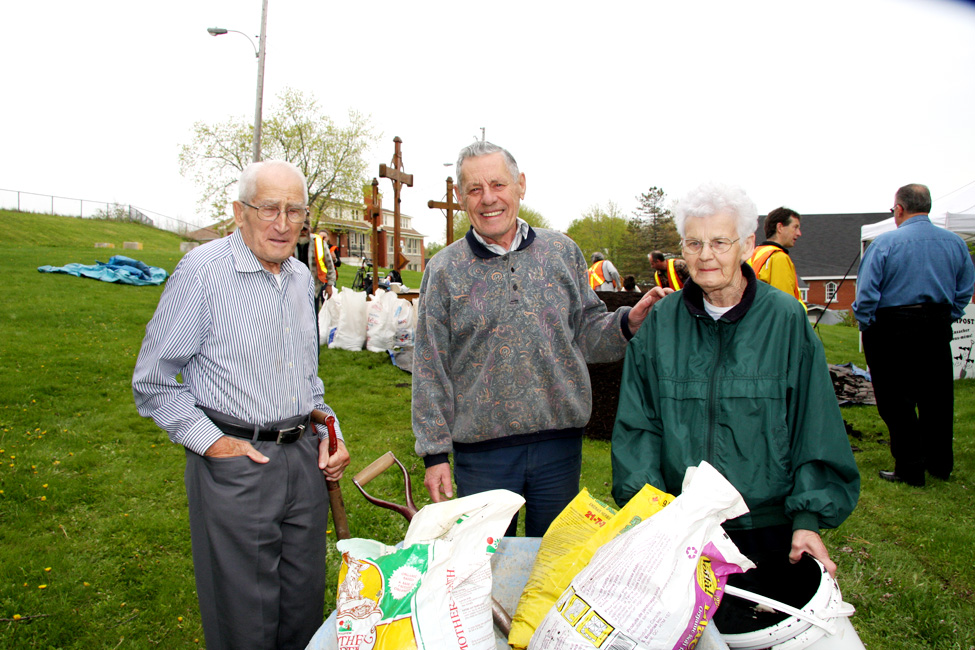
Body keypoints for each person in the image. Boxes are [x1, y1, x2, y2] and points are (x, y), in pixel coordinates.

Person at [132, 160, 351, 650]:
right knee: (244, 622)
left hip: (303, 461)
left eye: (294, 210)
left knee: (304, 609)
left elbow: (305, 379)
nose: (282, 222)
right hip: (238, 463)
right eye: (268, 208)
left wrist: (328, 427)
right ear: (239, 212)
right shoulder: (204, 273)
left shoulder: (299, 278)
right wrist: (212, 443)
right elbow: (154, 379)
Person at [412, 141, 666, 537]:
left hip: (558, 449)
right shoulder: (444, 271)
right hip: (482, 456)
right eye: (475, 189)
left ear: (521, 186)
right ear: (461, 199)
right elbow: (430, 364)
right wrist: (433, 454)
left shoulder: (562, 252)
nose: (488, 198)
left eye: (498, 184)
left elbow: (584, 331)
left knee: (552, 567)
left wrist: (627, 323)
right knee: (485, 572)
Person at [612, 181, 860, 579]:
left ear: (746, 246)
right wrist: (649, 510)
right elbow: (638, 426)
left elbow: (814, 424)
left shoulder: (785, 319)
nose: (705, 256)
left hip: (765, 527)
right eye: (693, 243)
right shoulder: (662, 322)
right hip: (679, 525)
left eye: (719, 242)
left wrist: (808, 518)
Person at [853, 183, 975, 487]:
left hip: (892, 325)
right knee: (937, 398)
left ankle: (910, 467)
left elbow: (867, 293)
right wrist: (948, 315)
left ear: (899, 209)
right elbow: (964, 289)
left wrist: (867, 323)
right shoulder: (956, 243)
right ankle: (939, 464)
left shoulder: (885, 244)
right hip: (935, 324)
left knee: (896, 400)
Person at [747, 206, 806, 307]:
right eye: (795, 227)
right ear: (780, 227)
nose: (799, 233)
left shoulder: (755, 254)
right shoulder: (778, 257)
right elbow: (785, 305)